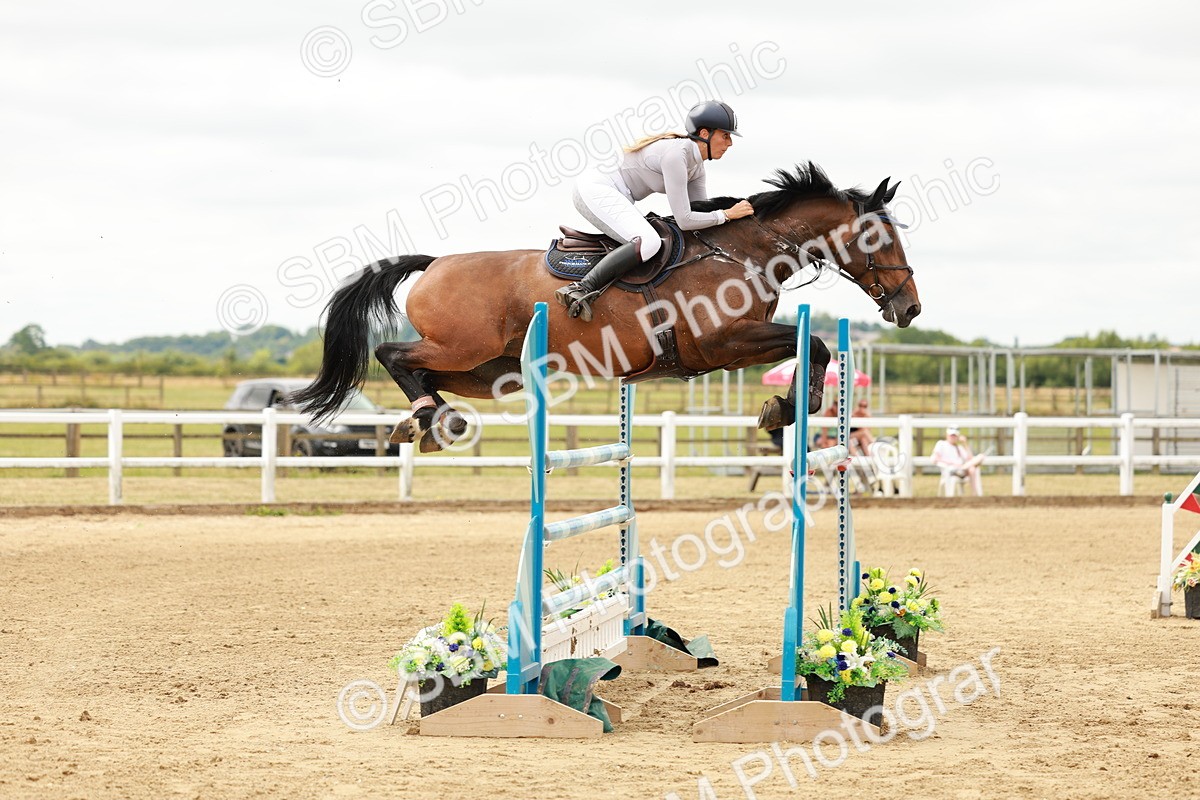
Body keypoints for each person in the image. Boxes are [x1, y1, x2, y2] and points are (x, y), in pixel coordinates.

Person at [554, 100, 755, 322]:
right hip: (596, 188)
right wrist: (727, 214)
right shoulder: (677, 155)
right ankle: (580, 288)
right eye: (725, 136)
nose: (730, 143)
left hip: (618, 193)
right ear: (705, 133)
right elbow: (686, 220)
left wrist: (733, 219)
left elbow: (700, 214)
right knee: (649, 241)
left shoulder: (696, 166)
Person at [931, 426, 985, 496]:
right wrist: (951, 463)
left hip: (962, 469)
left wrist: (965, 443)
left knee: (977, 462)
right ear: (947, 435)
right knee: (972, 467)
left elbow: (970, 458)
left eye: (955, 436)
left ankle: (974, 495)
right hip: (951, 470)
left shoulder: (959, 448)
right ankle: (974, 494)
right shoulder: (941, 444)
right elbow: (935, 459)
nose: (953, 437)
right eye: (951, 435)